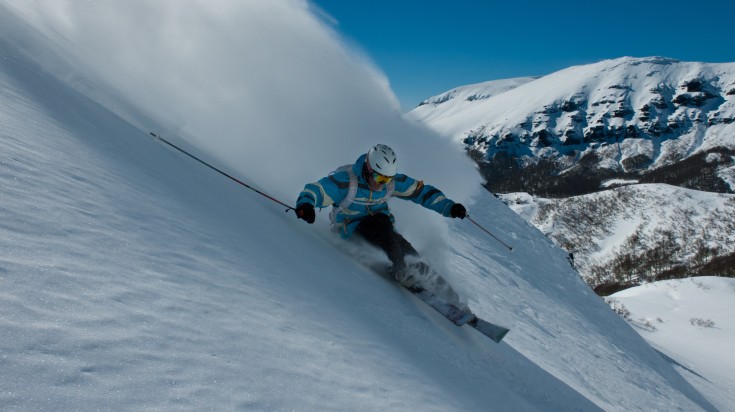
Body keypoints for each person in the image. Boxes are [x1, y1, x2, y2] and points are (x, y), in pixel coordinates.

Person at [294, 144, 466, 289]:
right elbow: (317, 190)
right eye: (379, 177)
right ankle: (401, 270)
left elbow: (421, 192)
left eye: (387, 178)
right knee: (382, 225)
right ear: (368, 169)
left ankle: (449, 296)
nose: (381, 183)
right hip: (352, 228)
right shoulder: (347, 182)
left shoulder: (389, 183)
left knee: (409, 253)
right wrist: (305, 205)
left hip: (384, 232)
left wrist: (450, 207)